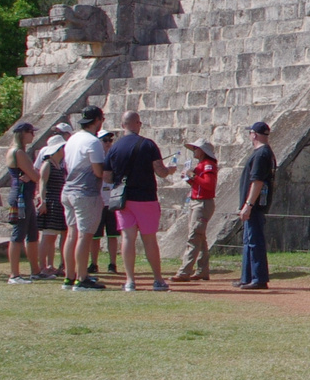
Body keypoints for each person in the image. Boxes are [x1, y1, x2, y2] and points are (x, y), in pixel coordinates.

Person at [107, 111, 175, 292]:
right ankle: (158, 279)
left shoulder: (114, 147)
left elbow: (107, 176)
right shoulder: (147, 144)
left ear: (122, 125)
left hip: (122, 198)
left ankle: (130, 280)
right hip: (145, 197)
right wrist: (170, 170)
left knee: (127, 238)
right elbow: (160, 171)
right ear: (138, 123)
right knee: (149, 239)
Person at [60, 106, 111, 290]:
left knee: (72, 234)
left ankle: (69, 276)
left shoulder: (73, 139)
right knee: (85, 235)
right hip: (85, 192)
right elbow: (98, 171)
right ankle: (81, 278)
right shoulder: (93, 142)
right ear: (97, 120)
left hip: (68, 190)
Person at [171, 140, 219, 282]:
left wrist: (193, 176)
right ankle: (202, 270)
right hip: (198, 202)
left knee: (194, 236)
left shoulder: (208, 165)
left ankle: (185, 271)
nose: (194, 151)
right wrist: (190, 179)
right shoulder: (202, 165)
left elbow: (209, 185)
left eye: (196, 149)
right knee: (199, 236)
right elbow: (200, 185)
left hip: (202, 203)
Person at [238, 121, 275, 290]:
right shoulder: (263, 153)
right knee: (248, 240)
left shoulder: (261, 154)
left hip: (255, 204)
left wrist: (249, 204)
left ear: (254, 134)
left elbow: (257, 181)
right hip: (254, 204)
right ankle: (247, 276)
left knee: (254, 240)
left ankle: (258, 278)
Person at [3, 122, 40, 283]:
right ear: (23, 133)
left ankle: (35, 271)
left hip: (25, 195)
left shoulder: (18, 151)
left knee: (32, 234)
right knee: (18, 235)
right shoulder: (18, 152)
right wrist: (34, 174)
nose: (33, 135)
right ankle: (14, 274)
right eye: (31, 132)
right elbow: (36, 176)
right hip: (21, 197)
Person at [33, 125, 71, 277]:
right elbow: (42, 183)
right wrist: (43, 202)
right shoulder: (47, 165)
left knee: (58, 234)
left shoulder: (60, 166)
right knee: (48, 236)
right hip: (51, 201)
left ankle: (55, 265)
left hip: (59, 201)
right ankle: (42, 266)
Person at [90, 132, 122, 277]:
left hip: (112, 201)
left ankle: (112, 263)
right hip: (99, 201)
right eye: (105, 140)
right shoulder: (96, 159)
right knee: (95, 236)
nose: (108, 143)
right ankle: (93, 263)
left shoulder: (115, 159)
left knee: (112, 235)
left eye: (110, 140)